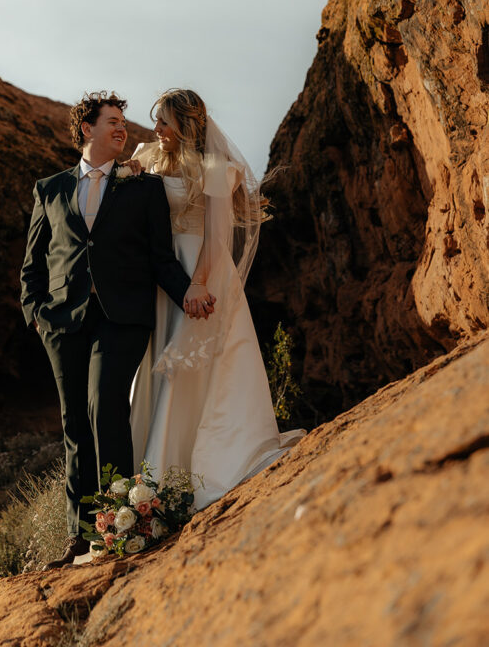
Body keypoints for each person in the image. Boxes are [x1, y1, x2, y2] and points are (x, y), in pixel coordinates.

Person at [20, 91, 212, 568]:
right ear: (87, 129)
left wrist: (189, 292)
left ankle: (119, 526)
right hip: (63, 321)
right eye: (112, 121)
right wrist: (38, 315)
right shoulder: (50, 189)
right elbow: (34, 263)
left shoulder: (141, 188)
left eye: (124, 121)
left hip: (122, 316)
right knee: (74, 425)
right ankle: (79, 537)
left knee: (106, 406)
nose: (123, 128)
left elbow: (160, 258)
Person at [130, 89, 304, 509]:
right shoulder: (146, 158)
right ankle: (151, 478)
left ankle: (198, 468)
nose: (156, 129)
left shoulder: (215, 168)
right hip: (162, 274)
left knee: (202, 367)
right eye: (156, 121)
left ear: (186, 124)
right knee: (158, 366)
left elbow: (216, 235)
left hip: (200, 270)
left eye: (164, 122)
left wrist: (198, 285)